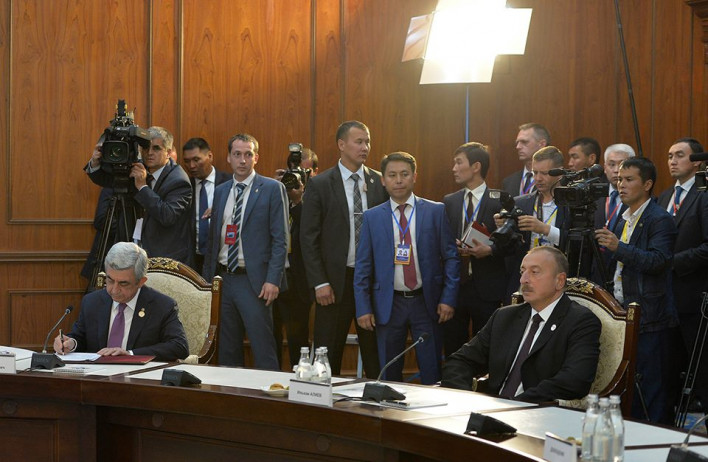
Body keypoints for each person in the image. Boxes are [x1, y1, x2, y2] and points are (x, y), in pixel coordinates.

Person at [441, 246, 601, 403]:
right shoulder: (504, 317)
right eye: (522, 271)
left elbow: (574, 381)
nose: (523, 279)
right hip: (489, 408)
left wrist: (515, 405)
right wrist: (467, 399)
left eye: (534, 272)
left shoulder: (580, 321)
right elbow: (459, 361)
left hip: (538, 412)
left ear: (559, 281)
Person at [354, 152, 459, 384]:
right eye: (392, 175)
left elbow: (451, 258)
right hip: (389, 304)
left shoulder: (435, 211)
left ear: (414, 177)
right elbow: (363, 267)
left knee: (432, 371)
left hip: (427, 302)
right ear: (383, 180)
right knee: (388, 373)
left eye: (404, 174)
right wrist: (363, 307)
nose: (399, 180)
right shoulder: (372, 217)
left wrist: (448, 298)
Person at [595, 156, 679, 422]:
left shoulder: (660, 219)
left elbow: (659, 261)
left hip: (651, 316)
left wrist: (618, 247)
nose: (621, 185)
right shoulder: (622, 218)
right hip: (622, 313)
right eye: (619, 179)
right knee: (628, 387)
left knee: (652, 389)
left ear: (647, 184)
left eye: (629, 180)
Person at [300, 120, 386, 377]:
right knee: (328, 356)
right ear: (341, 144)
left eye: (367, 142)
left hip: (371, 281)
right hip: (335, 283)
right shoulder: (321, 183)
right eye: (359, 142)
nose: (365, 147)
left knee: (375, 356)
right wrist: (319, 282)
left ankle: (376, 399)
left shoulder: (379, 182)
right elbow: (308, 238)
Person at [202, 133, 288, 370]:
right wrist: (208, 282)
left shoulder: (272, 188)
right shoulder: (221, 191)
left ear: (256, 158)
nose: (242, 160)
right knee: (227, 350)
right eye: (237, 154)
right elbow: (213, 241)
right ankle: (230, 392)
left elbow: (281, 240)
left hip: (255, 282)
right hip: (223, 279)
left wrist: (273, 280)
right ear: (228, 158)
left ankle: (270, 392)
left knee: (262, 348)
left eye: (248, 154)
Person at [54, 242, 188, 361]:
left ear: (141, 282)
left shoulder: (162, 306)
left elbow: (179, 346)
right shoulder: (92, 302)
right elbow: (80, 337)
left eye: (123, 283)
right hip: (97, 377)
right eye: (110, 280)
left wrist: (130, 354)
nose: (114, 290)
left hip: (138, 377)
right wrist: (70, 343)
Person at [85, 126, 192, 263]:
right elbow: (107, 181)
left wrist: (142, 187)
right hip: (134, 251)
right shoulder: (139, 167)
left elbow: (167, 215)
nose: (149, 153)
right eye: (146, 148)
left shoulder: (179, 180)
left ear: (168, 152)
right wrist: (95, 162)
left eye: (156, 148)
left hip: (164, 257)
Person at [442, 142, 509, 356]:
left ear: (476, 166)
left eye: (458, 162)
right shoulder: (450, 201)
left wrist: (490, 250)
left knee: (485, 348)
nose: (454, 168)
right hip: (456, 286)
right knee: (453, 347)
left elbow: (512, 243)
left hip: (488, 287)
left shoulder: (501, 200)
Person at [657, 137, 708, 410]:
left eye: (679, 155)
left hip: (693, 298)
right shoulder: (665, 196)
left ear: (697, 162)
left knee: (701, 370)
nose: (672, 161)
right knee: (667, 369)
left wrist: (672, 263)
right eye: (669, 156)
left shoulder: (704, 195)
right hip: (665, 299)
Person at [500, 146, 568, 302]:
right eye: (535, 173)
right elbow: (509, 250)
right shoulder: (521, 203)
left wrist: (545, 229)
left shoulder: (573, 205)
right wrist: (503, 227)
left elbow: (579, 245)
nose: (538, 178)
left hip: (558, 282)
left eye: (544, 173)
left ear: (559, 173)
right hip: (524, 282)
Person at [273, 166, 315, 369]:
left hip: (297, 282)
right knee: (271, 335)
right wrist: (274, 189)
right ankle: (271, 378)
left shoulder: (309, 204)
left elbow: (310, 230)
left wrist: (298, 201)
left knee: (297, 339)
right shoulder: (274, 198)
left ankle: (299, 377)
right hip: (273, 278)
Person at [182, 137, 231, 274]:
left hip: (222, 259)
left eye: (196, 159)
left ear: (210, 156)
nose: (191, 166)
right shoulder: (184, 186)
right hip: (193, 260)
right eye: (187, 161)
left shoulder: (229, 183)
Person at [501, 123, 550, 197]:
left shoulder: (555, 179)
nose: (518, 147)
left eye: (524, 142)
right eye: (517, 143)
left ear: (542, 144)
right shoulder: (508, 182)